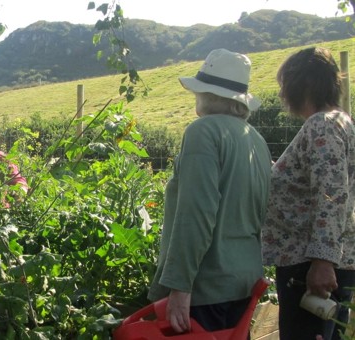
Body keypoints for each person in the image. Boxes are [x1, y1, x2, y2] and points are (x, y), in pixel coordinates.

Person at [147, 48, 272, 334]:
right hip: (245, 282)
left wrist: (180, 285)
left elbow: (196, 213)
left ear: (207, 94)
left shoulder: (202, 132)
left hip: (206, 286)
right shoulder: (256, 140)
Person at [262, 47, 355, 340]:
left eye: (283, 87)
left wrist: (322, 261)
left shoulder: (321, 126)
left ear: (300, 85)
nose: (281, 95)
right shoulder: (340, 121)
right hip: (328, 261)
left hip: (311, 268)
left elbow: (331, 194)